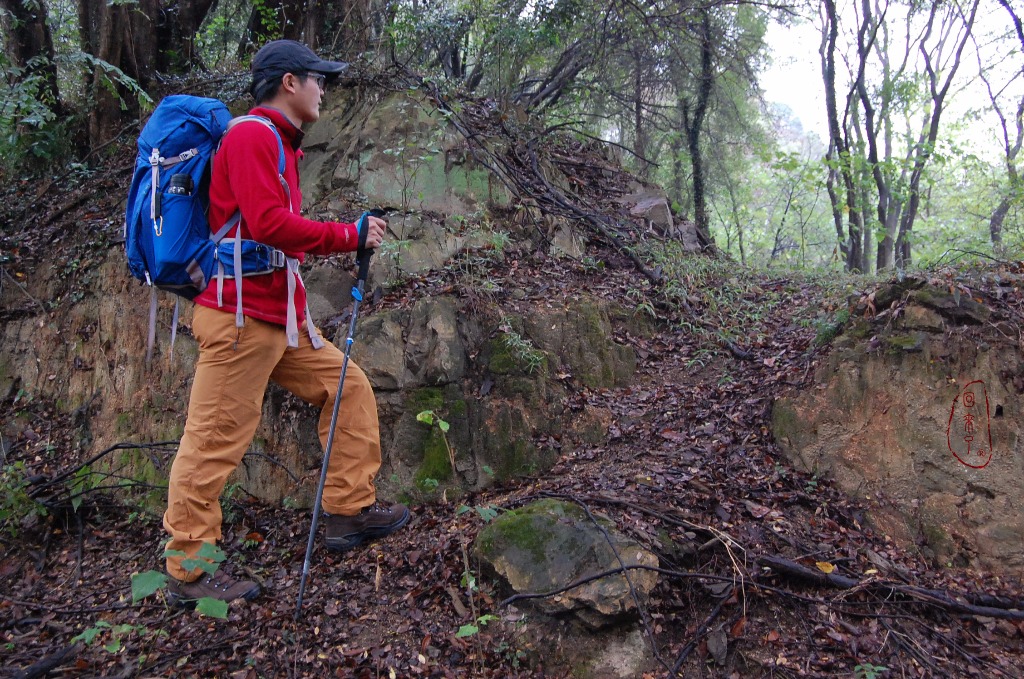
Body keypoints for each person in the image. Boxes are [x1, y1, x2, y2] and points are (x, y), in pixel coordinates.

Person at [162, 40, 409, 606]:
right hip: (238, 320)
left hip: (276, 318)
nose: (325, 89)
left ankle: (348, 512)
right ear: (291, 82)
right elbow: (270, 225)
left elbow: (270, 238)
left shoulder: (279, 145)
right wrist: (349, 234)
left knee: (346, 386)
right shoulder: (251, 134)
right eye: (320, 79)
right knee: (214, 440)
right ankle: (189, 568)